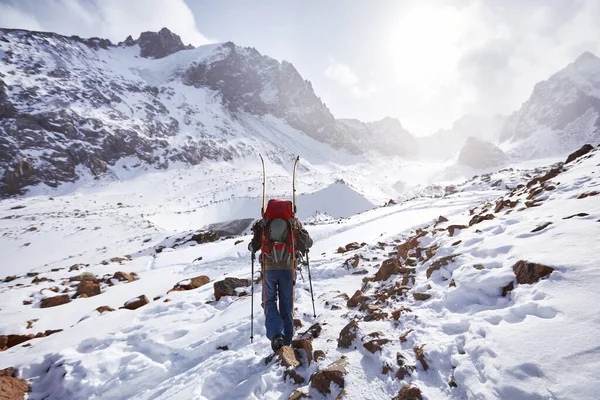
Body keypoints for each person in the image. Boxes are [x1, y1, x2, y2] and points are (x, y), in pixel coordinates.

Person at [248, 199, 313, 351]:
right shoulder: (294, 222)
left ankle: (277, 334)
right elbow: (308, 243)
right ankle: (287, 343)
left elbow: (253, 246)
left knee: (269, 301)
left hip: (269, 268)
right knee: (287, 305)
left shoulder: (264, 223)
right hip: (288, 268)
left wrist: (252, 244)